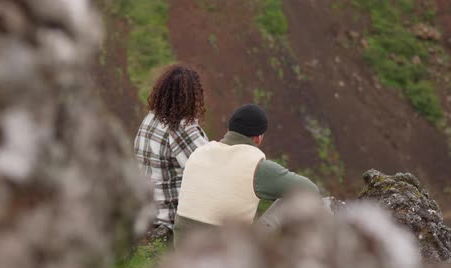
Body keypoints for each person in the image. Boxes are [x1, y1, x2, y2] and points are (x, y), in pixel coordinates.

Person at [174, 104, 320, 244]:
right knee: (293, 196)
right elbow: (310, 190)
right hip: (226, 252)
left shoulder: (199, 152)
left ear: (229, 130)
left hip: (183, 244)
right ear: (258, 138)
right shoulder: (257, 166)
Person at [134, 64, 208, 233]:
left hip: (147, 213)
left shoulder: (151, 118)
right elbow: (209, 169)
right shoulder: (180, 128)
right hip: (170, 218)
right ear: (193, 96)